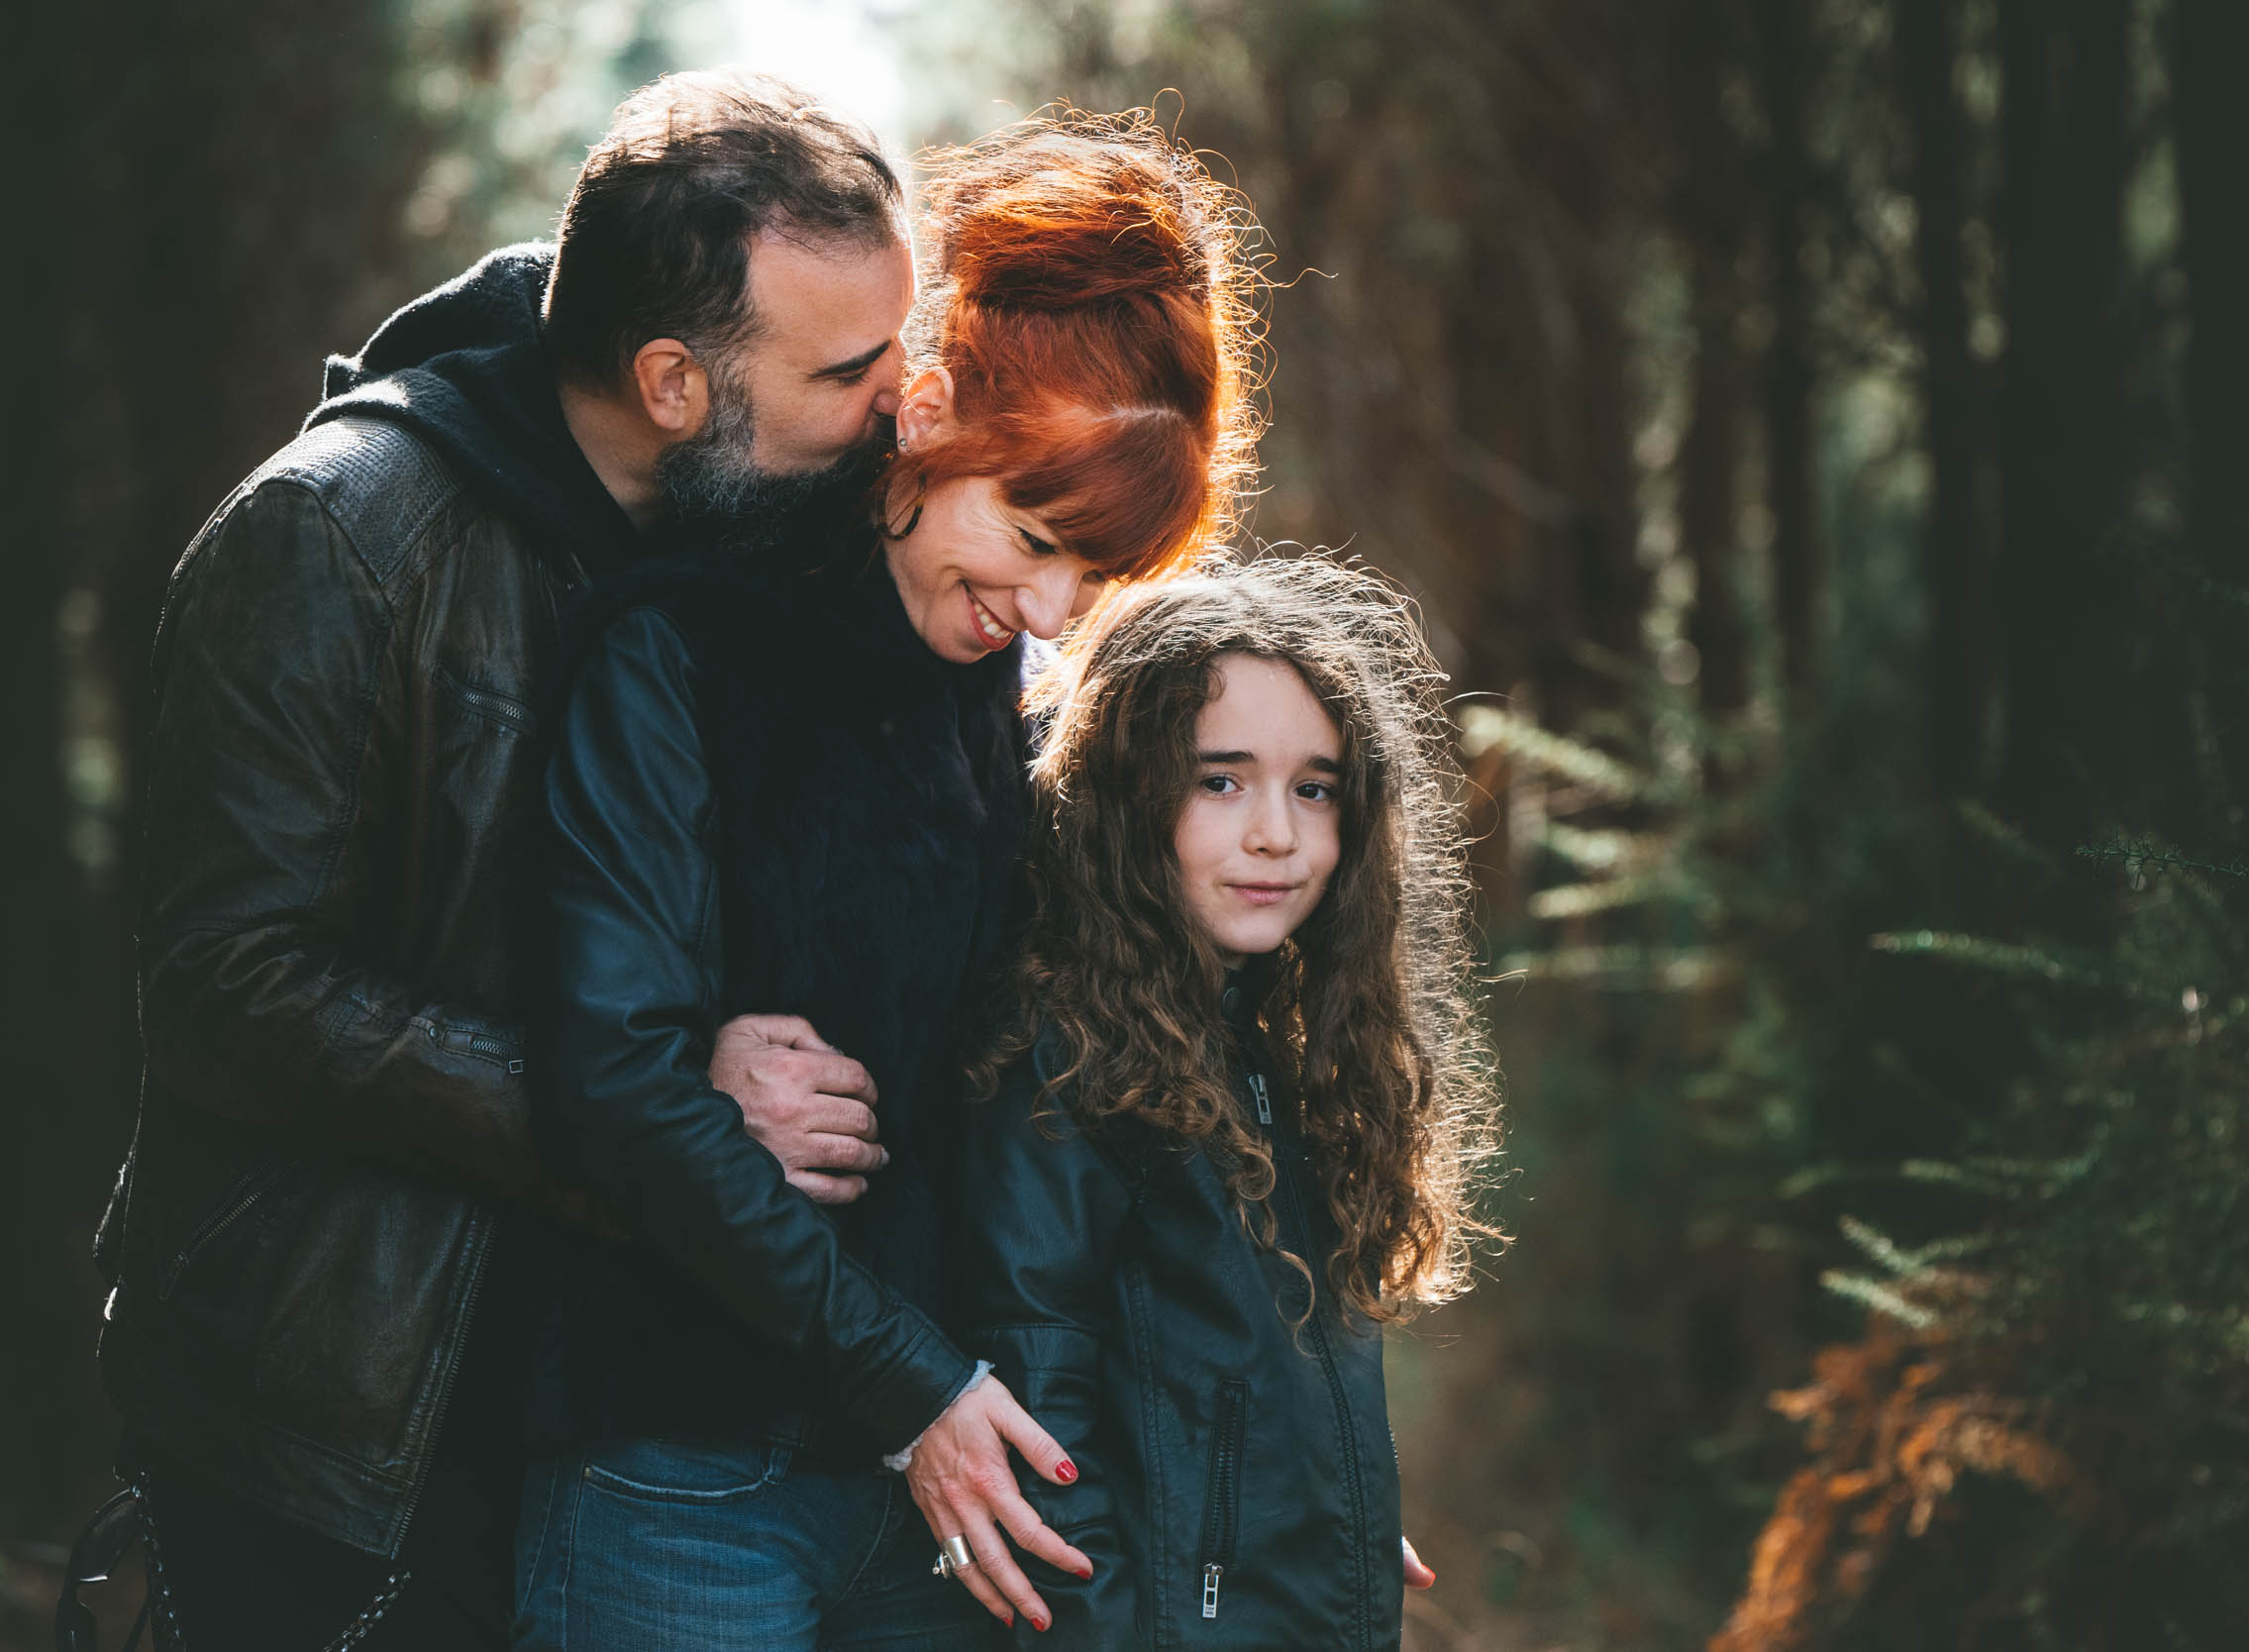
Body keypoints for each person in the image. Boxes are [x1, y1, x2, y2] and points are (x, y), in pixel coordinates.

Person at [91, 68, 912, 1651]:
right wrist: (652, 1107)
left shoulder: (752, 521)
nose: (902, 397)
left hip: (628, 1416)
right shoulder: (331, 538)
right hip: (341, 1418)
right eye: (853, 366)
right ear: (675, 379)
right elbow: (224, 989)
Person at [515, 108, 1264, 1649]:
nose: (1052, 608)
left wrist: (1279, 1461)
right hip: (683, 1482)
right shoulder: (682, 648)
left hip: (943, 1498)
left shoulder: (995, 704)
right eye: (1036, 531)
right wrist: (912, 1386)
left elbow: (1093, 1112)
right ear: (923, 419)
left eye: (1096, 575)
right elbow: (613, 1078)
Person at [946, 555, 1504, 1649]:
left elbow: (1224, 1405)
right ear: (1121, 797)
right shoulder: (1066, 1058)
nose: (1275, 836)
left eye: (1313, 787)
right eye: (1219, 781)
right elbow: (1047, 1454)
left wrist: (1320, 1519)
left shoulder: (1272, 1047)